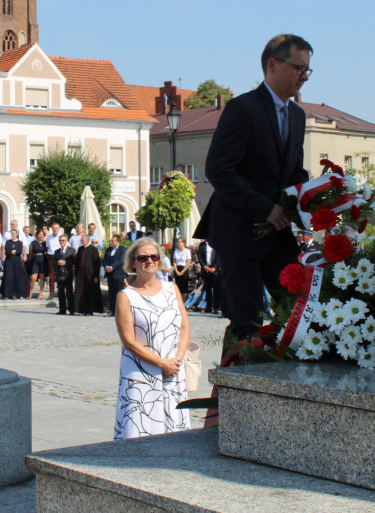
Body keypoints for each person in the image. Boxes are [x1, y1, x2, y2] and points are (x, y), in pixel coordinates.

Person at [195, 33, 312, 340]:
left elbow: (294, 171)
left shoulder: (297, 115)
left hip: (278, 231)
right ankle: (231, 387)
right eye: (298, 68)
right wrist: (265, 208)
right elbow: (218, 169)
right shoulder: (242, 108)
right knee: (246, 323)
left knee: (298, 307)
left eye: (307, 70)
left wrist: (313, 194)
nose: (304, 76)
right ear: (272, 65)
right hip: (238, 231)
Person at [113, 237, 190, 439]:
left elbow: (184, 326)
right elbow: (129, 341)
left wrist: (177, 360)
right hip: (141, 373)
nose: (149, 260)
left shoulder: (172, 288)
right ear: (133, 263)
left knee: (175, 436)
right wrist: (161, 364)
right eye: (143, 257)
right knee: (139, 432)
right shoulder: (126, 296)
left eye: (154, 256)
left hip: (173, 370)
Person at [74, 236, 103, 315]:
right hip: (81, 274)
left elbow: (97, 263)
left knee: (90, 292)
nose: (82, 241)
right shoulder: (80, 249)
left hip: (90, 274)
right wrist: (75, 275)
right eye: (81, 240)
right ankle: (81, 309)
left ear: (87, 240)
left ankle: (90, 310)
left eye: (83, 240)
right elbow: (77, 262)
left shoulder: (93, 249)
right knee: (80, 291)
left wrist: (96, 276)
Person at [0, 231, 29, 299]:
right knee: (9, 277)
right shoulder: (8, 242)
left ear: (17, 235)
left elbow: (19, 251)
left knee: (16, 277)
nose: (12, 235)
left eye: (14, 234)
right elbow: (7, 250)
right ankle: (7, 293)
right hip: (9, 261)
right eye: (12, 234)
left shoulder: (19, 242)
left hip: (17, 262)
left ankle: (15, 294)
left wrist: (14, 251)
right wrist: (13, 251)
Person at [103, 234, 127, 316]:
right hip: (110, 274)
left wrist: (112, 267)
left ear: (118, 241)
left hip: (119, 274)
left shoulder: (123, 249)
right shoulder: (109, 250)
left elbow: (121, 261)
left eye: (113, 241)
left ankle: (120, 311)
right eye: (111, 241)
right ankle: (112, 310)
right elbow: (104, 259)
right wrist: (106, 267)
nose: (111, 242)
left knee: (120, 293)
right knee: (111, 293)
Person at [196, 239, 222, 316]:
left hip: (215, 270)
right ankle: (208, 307)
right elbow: (200, 257)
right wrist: (204, 266)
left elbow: (219, 257)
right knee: (208, 289)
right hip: (206, 269)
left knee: (216, 290)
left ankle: (216, 308)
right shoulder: (202, 245)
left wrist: (215, 267)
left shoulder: (216, 244)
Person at [53, 234, 77, 315]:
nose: (61, 242)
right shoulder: (57, 251)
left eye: (63, 240)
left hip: (67, 273)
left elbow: (74, 261)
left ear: (66, 241)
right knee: (60, 292)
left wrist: (66, 262)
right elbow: (53, 263)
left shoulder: (71, 250)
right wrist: (58, 263)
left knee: (69, 292)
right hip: (60, 273)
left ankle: (71, 309)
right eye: (60, 240)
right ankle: (62, 309)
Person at [27, 229, 49, 299]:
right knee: (33, 278)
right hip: (35, 260)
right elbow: (30, 252)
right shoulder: (33, 243)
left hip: (43, 260)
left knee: (42, 278)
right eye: (39, 234)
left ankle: (41, 293)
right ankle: (30, 292)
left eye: (42, 234)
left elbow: (46, 251)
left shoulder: (45, 243)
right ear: (37, 235)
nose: (41, 236)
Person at [44, 222, 63, 298]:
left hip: (59, 257)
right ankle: (51, 293)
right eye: (54, 228)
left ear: (59, 229)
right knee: (51, 276)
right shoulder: (49, 237)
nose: (55, 230)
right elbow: (47, 247)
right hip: (51, 257)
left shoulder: (62, 237)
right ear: (52, 229)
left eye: (56, 228)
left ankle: (60, 292)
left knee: (60, 275)